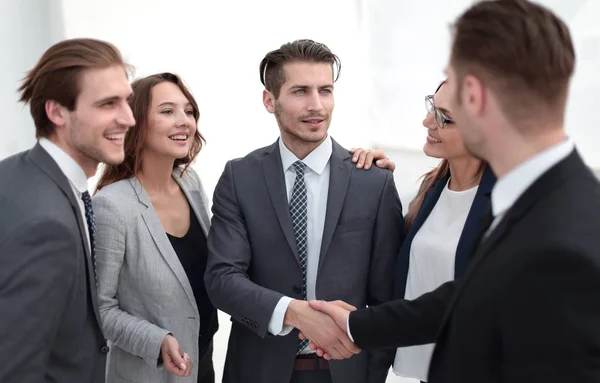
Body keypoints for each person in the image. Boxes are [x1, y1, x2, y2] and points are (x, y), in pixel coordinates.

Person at [307, 0, 600, 382]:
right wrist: (357, 324)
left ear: (474, 95)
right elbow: (467, 295)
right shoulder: (551, 198)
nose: (431, 118)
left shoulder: (560, 248)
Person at [205, 39, 404, 383]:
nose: (317, 106)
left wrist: (372, 373)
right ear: (270, 100)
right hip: (258, 371)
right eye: (300, 91)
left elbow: (389, 295)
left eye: (325, 90)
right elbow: (222, 279)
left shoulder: (373, 182)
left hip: (346, 373)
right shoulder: (240, 177)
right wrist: (294, 314)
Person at [0, 38, 135, 383]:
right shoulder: (47, 226)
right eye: (108, 104)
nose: (129, 119)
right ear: (56, 111)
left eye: (126, 101)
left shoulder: (14, 171)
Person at [93, 72, 218, 383]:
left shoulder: (190, 183)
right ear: (136, 123)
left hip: (202, 365)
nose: (184, 121)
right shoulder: (111, 205)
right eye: (167, 111)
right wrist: (157, 341)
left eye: (188, 111)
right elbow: (100, 308)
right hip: (149, 374)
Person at [390, 80, 495, 382]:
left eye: (444, 117)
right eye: (431, 107)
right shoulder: (430, 188)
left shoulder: (508, 203)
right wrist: (369, 176)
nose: (427, 121)